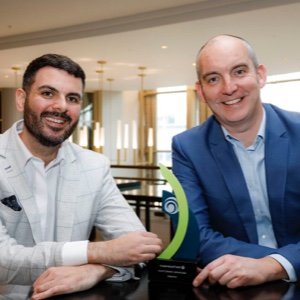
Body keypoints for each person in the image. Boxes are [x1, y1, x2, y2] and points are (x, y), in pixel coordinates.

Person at [0, 54, 162, 299]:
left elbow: (139, 247)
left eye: (72, 98)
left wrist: (96, 271)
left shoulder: (94, 166)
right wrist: (97, 253)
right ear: (21, 99)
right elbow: (3, 262)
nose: (61, 106)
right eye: (48, 93)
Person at [172, 34, 300, 288]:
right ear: (201, 91)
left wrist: (274, 265)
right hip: (234, 287)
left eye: (239, 71)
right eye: (213, 78)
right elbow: (193, 236)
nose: (228, 88)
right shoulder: (187, 147)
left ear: (260, 75)